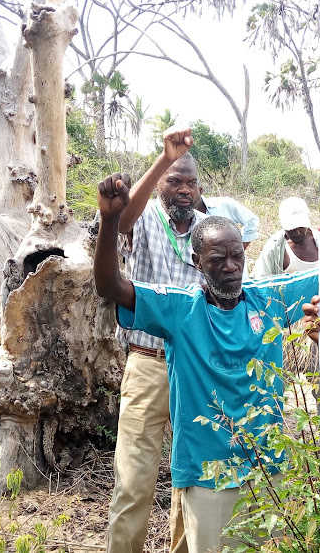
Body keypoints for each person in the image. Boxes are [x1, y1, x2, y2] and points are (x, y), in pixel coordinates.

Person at [95, 167, 318, 549]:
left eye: (236, 256)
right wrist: (110, 219)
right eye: (218, 259)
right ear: (197, 262)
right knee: (135, 487)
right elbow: (111, 286)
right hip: (208, 472)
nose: (230, 267)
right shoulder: (180, 310)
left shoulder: (270, 299)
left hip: (268, 466)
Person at [106, 129, 204, 553]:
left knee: (193, 479)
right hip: (147, 363)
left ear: (200, 189)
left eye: (190, 183)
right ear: (162, 183)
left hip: (196, 368)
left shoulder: (211, 230)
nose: (182, 190)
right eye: (174, 180)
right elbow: (120, 221)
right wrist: (165, 159)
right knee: (134, 480)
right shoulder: (144, 219)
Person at [195, 187, 259, 248]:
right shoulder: (186, 217)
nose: (185, 191)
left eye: (191, 184)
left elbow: (252, 222)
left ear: (200, 190)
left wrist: (238, 250)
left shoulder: (224, 205)